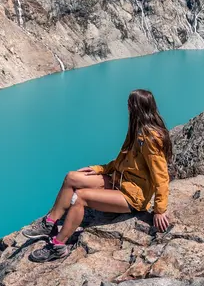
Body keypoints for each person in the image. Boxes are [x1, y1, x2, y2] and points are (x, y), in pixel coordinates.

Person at [25, 88, 173, 263]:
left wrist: (159, 209)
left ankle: (58, 245)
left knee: (80, 198)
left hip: (132, 197)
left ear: (135, 107)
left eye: (129, 103)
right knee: (71, 177)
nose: (126, 106)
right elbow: (122, 162)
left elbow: (161, 176)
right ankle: (49, 223)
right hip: (118, 181)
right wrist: (100, 169)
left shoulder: (151, 139)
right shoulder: (137, 130)